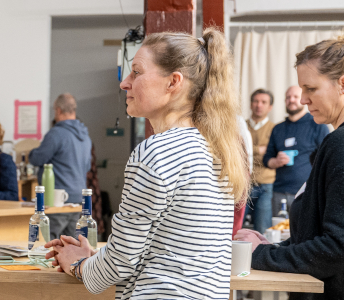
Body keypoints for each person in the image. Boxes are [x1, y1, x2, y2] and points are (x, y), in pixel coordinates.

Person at [48, 28, 249, 299]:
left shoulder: (157, 152)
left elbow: (120, 263)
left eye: (136, 72)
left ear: (173, 82)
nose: (124, 83)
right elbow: (168, 249)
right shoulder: (217, 149)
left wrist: (77, 264)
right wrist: (97, 257)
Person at [235, 30, 344, 300]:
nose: (303, 99)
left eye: (311, 89)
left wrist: (262, 254)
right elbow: (324, 234)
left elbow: (339, 247)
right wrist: (275, 249)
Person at [28, 93, 91, 239]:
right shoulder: (85, 136)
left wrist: (31, 152)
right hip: (77, 200)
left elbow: (37, 158)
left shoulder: (56, 134)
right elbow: (87, 166)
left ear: (58, 110)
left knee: (48, 241)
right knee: (71, 244)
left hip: (58, 200)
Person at [263, 86, 329, 214]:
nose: (291, 100)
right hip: (279, 192)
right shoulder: (277, 129)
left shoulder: (317, 125)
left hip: (307, 192)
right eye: (288, 97)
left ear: (304, 100)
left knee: (304, 227)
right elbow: (266, 159)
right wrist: (275, 161)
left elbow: (327, 159)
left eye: (295, 97)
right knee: (278, 226)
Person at [247, 89, 276, 233]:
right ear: (250, 104)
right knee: (233, 229)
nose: (259, 105)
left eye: (264, 102)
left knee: (263, 231)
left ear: (270, 107)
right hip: (243, 185)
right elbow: (235, 150)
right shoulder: (240, 126)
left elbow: (273, 155)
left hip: (266, 185)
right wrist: (259, 149)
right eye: (256, 101)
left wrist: (248, 150)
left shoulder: (275, 129)